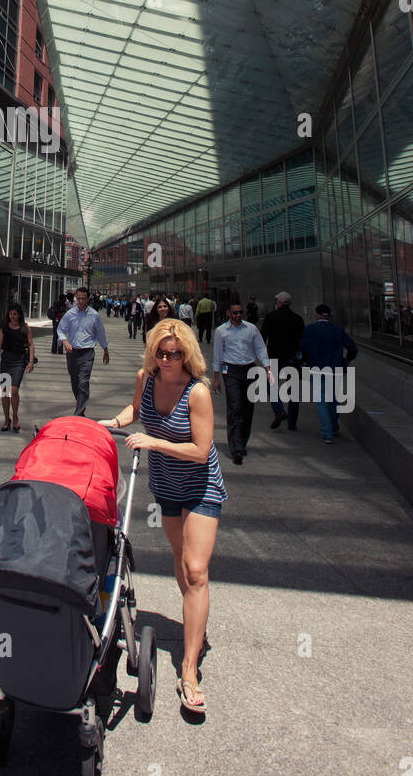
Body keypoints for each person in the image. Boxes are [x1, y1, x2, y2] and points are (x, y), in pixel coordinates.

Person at [99, 320, 225, 713]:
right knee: (178, 560)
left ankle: (189, 669)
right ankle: (194, 622)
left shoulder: (198, 392)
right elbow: (136, 409)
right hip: (167, 485)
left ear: (187, 354)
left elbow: (201, 450)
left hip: (201, 486)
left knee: (195, 569)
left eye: (175, 353)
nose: (167, 359)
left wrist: (155, 441)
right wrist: (113, 424)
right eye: (161, 352)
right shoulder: (147, 378)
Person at [212, 302, 272, 464]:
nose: (238, 315)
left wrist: (267, 369)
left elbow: (260, 349)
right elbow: (217, 355)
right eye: (235, 313)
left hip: (249, 370)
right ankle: (236, 448)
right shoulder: (221, 331)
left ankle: (242, 441)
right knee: (234, 407)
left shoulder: (251, 329)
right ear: (228, 313)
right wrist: (216, 379)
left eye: (240, 312)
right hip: (230, 371)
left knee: (247, 408)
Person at [300, 305, 358, 443]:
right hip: (335, 369)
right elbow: (352, 348)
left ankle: (327, 433)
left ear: (316, 314)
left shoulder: (309, 329)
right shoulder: (338, 330)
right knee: (333, 401)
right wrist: (347, 359)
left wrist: (303, 361)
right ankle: (333, 427)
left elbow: (302, 348)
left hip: (316, 368)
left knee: (321, 401)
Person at [57, 286, 109, 415]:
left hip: (87, 353)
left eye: (83, 299)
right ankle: (81, 407)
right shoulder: (70, 314)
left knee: (83, 382)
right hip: (72, 353)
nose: (80, 301)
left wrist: (105, 350)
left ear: (88, 299)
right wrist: (64, 341)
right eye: (78, 298)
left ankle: (78, 413)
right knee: (75, 383)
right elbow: (61, 329)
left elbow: (100, 333)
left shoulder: (94, 315)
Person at [260, 292, 305, 430]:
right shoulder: (298, 319)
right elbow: (302, 340)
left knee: (270, 384)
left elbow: (263, 336)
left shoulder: (271, 317)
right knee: (294, 391)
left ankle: (279, 410)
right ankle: (292, 423)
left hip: (274, 356)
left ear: (279, 302)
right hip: (293, 358)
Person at [0, 302, 34, 432]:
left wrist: (31, 361)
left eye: (15, 314)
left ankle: (15, 416)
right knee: (4, 393)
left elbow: (30, 344)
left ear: (19, 315)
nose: (13, 316)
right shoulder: (4, 328)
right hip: (6, 362)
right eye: (11, 314)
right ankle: (6, 419)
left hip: (18, 362)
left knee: (13, 390)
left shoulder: (25, 328)